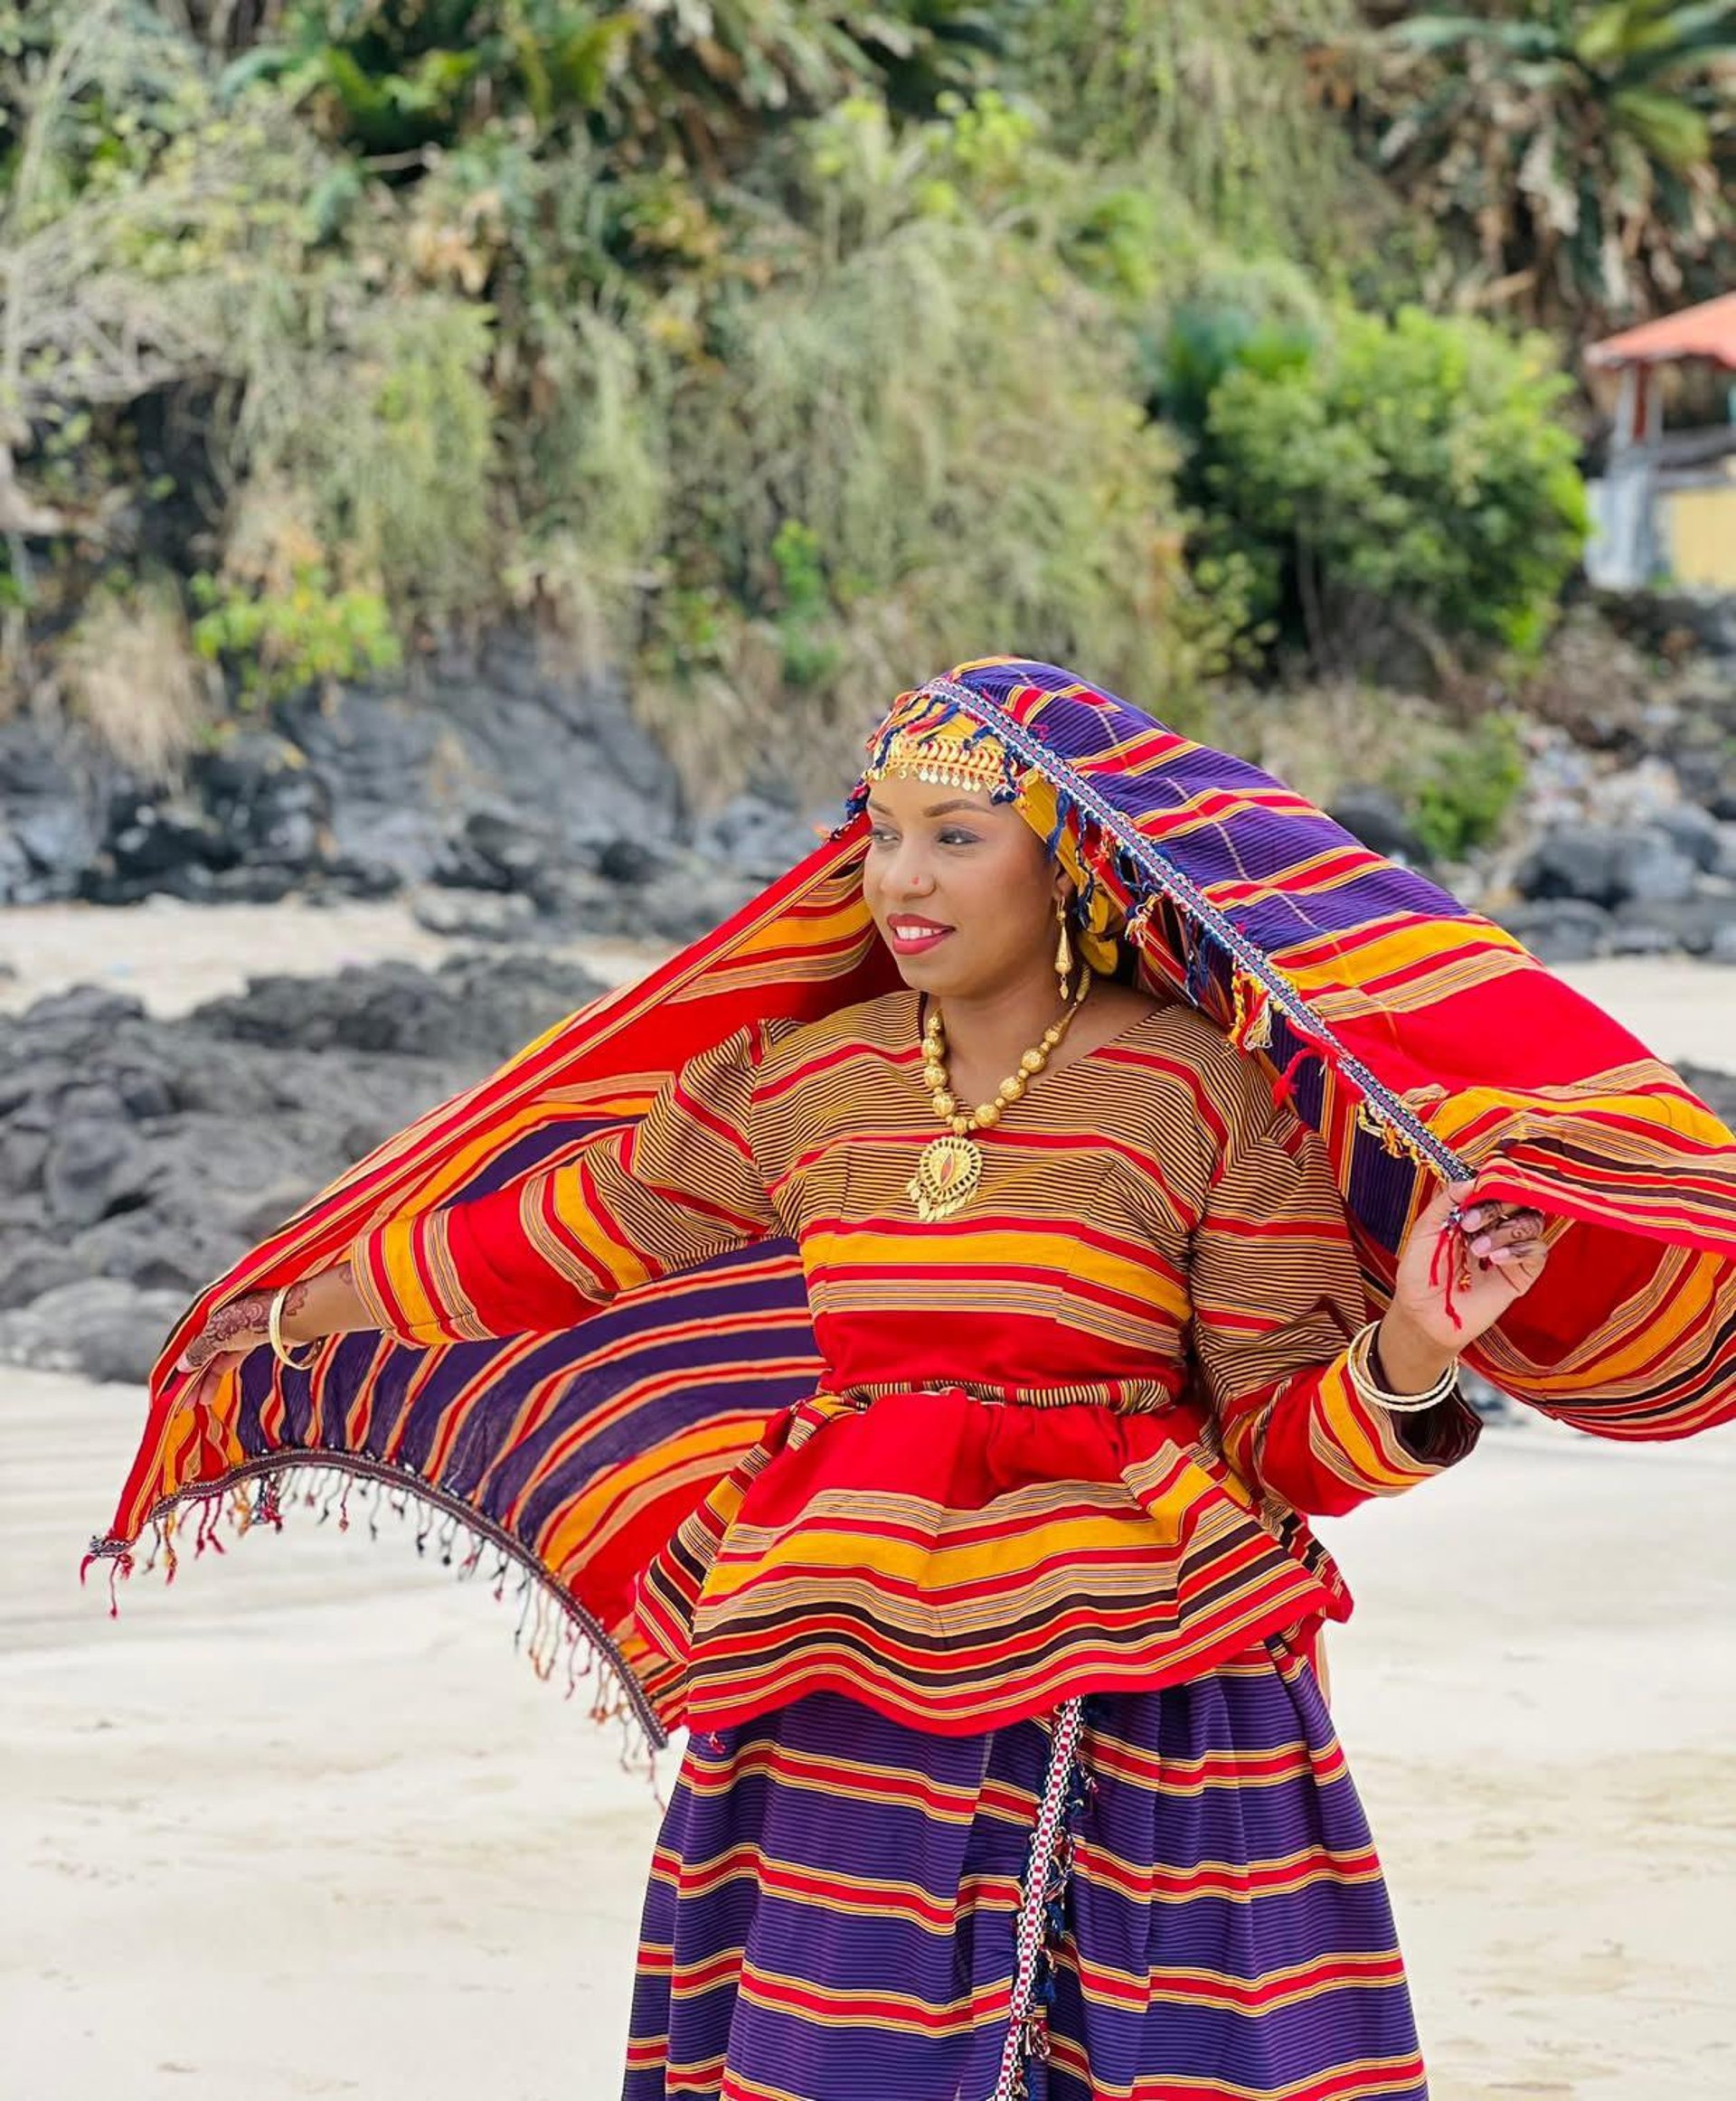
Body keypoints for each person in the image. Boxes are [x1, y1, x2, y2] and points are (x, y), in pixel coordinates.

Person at [103, 657, 1736, 2101]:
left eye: (956, 837)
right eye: (882, 833)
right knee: (839, 2040)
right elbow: (580, 1233)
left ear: (1068, 865)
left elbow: (1281, 1447)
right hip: (842, 1637)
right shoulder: (803, 1079)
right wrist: (319, 1300)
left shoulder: (1201, 1091)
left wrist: (1420, 1346)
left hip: (1149, 1660)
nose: (903, 877)